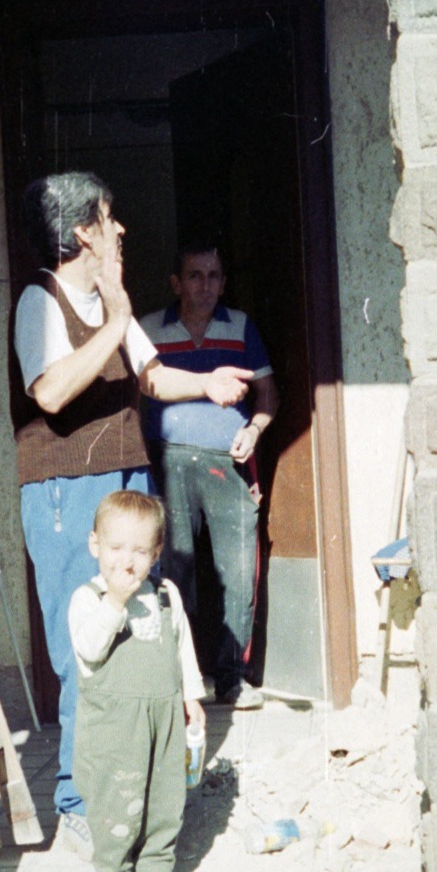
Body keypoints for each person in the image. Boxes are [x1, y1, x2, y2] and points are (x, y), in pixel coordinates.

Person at [12, 174, 250, 857]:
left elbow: (148, 375)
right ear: (83, 231)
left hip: (124, 480)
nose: (121, 231)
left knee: (135, 639)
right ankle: (77, 798)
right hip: (66, 489)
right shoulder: (41, 300)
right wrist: (115, 322)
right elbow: (52, 390)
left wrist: (203, 382)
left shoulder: (108, 302)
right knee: (81, 645)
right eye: (110, 220)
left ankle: (130, 783)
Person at [140, 244, 278, 709]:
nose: (206, 286)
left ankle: (232, 679)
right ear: (176, 283)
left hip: (228, 461)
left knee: (237, 569)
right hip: (169, 460)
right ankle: (177, 678)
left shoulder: (239, 327)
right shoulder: (148, 330)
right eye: (195, 276)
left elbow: (268, 395)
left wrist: (255, 430)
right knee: (172, 568)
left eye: (214, 276)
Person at [68, 489, 203, 872]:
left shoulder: (165, 594)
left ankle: (157, 868)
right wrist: (116, 601)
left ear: (156, 552)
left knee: (165, 795)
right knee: (116, 796)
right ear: (95, 546)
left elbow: (183, 647)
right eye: (116, 548)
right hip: (113, 725)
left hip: (163, 716)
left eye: (140, 551)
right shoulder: (88, 598)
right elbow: (89, 649)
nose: (127, 562)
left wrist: (192, 696)